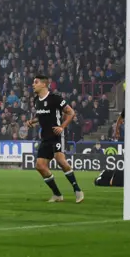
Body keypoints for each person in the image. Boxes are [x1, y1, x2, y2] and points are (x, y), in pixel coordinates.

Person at [25, 75, 84, 203]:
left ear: (44, 85)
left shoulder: (55, 98)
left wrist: (62, 127)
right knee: (40, 166)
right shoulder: (36, 100)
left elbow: (71, 112)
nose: (33, 85)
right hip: (45, 137)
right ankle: (57, 194)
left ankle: (77, 190)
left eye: (36, 82)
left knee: (60, 160)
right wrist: (32, 121)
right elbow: (41, 115)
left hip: (57, 135)